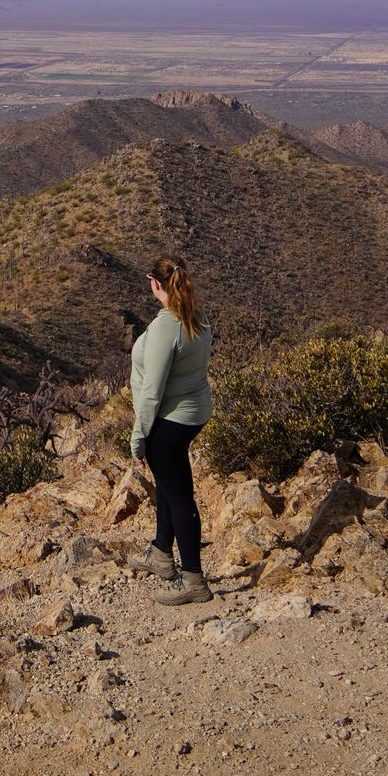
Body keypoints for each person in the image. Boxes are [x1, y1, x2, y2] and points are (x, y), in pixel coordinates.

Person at [129, 255, 213, 605]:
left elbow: (152, 390)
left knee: (180, 496)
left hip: (169, 419)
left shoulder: (167, 326)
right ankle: (162, 553)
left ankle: (193, 580)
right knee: (168, 481)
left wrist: (139, 435)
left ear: (155, 284)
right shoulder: (197, 317)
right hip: (193, 413)